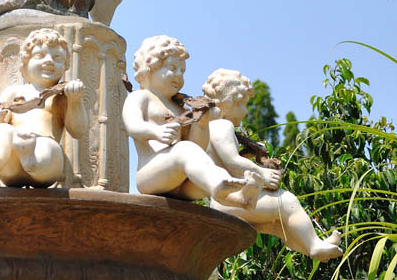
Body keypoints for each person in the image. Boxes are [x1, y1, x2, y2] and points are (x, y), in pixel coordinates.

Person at [203, 68, 342, 261]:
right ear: (231, 102)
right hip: (228, 199)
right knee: (287, 202)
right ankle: (314, 245)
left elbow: (227, 161)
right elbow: (232, 163)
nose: (246, 111)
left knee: (278, 225)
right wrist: (262, 173)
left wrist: (247, 154)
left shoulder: (210, 128)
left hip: (223, 200)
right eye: (244, 104)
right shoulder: (221, 125)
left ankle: (314, 247)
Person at [123, 35, 263, 207]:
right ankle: (219, 182)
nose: (178, 75)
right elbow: (132, 126)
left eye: (182, 71)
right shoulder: (142, 97)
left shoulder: (181, 108)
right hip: (151, 175)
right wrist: (156, 132)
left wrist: (202, 124)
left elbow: (197, 147)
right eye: (172, 68)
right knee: (184, 149)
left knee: (212, 152)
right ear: (149, 68)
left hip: (181, 185)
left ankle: (240, 199)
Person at [0, 27, 88, 188]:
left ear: (65, 67)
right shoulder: (13, 92)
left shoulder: (61, 96)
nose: (49, 61)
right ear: (25, 63)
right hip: (12, 165)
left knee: (48, 145)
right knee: (2, 131)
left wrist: (75, 100)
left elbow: (78, 130)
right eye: (39, 55)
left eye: (57, 58)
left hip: (45, 165)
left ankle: (31, 159)